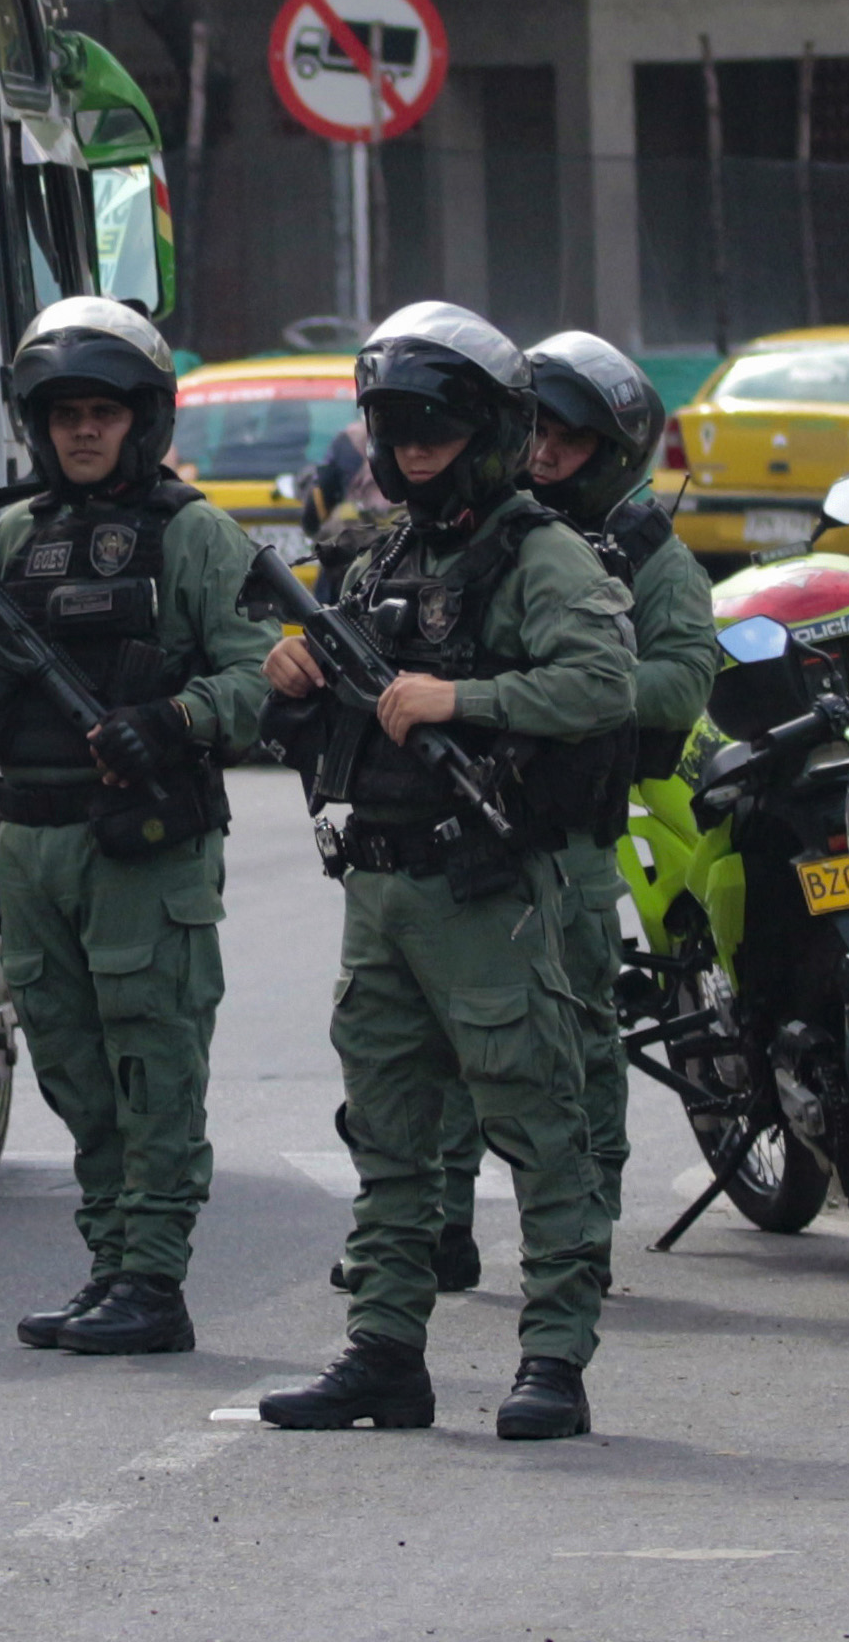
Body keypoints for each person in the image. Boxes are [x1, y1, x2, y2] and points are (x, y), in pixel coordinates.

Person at [256, 304, 639, 1440]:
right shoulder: (387, 560)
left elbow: (602, 685)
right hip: (381, 890)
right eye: (396, 427)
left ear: (486, 430)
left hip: (486, 891)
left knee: (539, 1121)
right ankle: (384, 1352)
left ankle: (555, 1360)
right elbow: (342, 708)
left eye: (436, 427)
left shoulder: (542, 554)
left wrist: (459, 701)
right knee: (389, 1134)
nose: (414, 449)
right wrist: (297, 678)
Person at [0, 297, 275, 1358]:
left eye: (103, 412)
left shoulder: (195, 536)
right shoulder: (15, 535)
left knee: (153, 1060)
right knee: (73, 1068)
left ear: (144, 419)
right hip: (33, 842)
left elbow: (260, 679)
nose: (82, 432)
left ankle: (154, 1277)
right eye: (63, 415)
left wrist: (172, 722)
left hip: (140, 842)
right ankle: (110, 1265)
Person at [399, 332, 718, 1275]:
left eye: (565, 442)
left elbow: (681, 680)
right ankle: (441, 1223)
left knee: (576, 1033)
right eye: (533, 431)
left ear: (609, 450)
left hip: (569, 832)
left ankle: (585, 1225)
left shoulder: (649, 556)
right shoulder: (483, 530)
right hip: (457, 817)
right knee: (447, 1030)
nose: (541, 455)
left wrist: (555, 686)